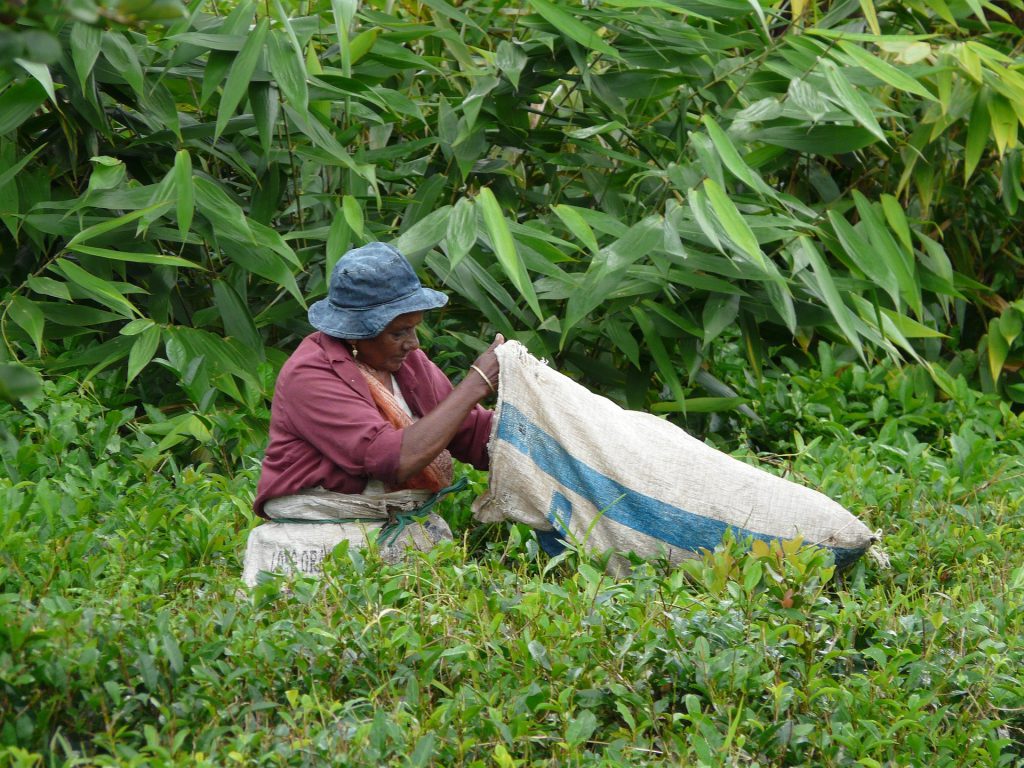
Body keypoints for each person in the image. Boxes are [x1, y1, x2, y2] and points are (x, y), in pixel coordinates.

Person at [251, 242, 502, 561]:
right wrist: (476, 383)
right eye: (399, 333)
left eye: (414, 328)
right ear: (354, 332)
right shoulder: (310, 374)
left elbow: (468, 432)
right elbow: (391, 460)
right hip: (325, 542)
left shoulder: (410, 365)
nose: (413, 343)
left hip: (402, 531)